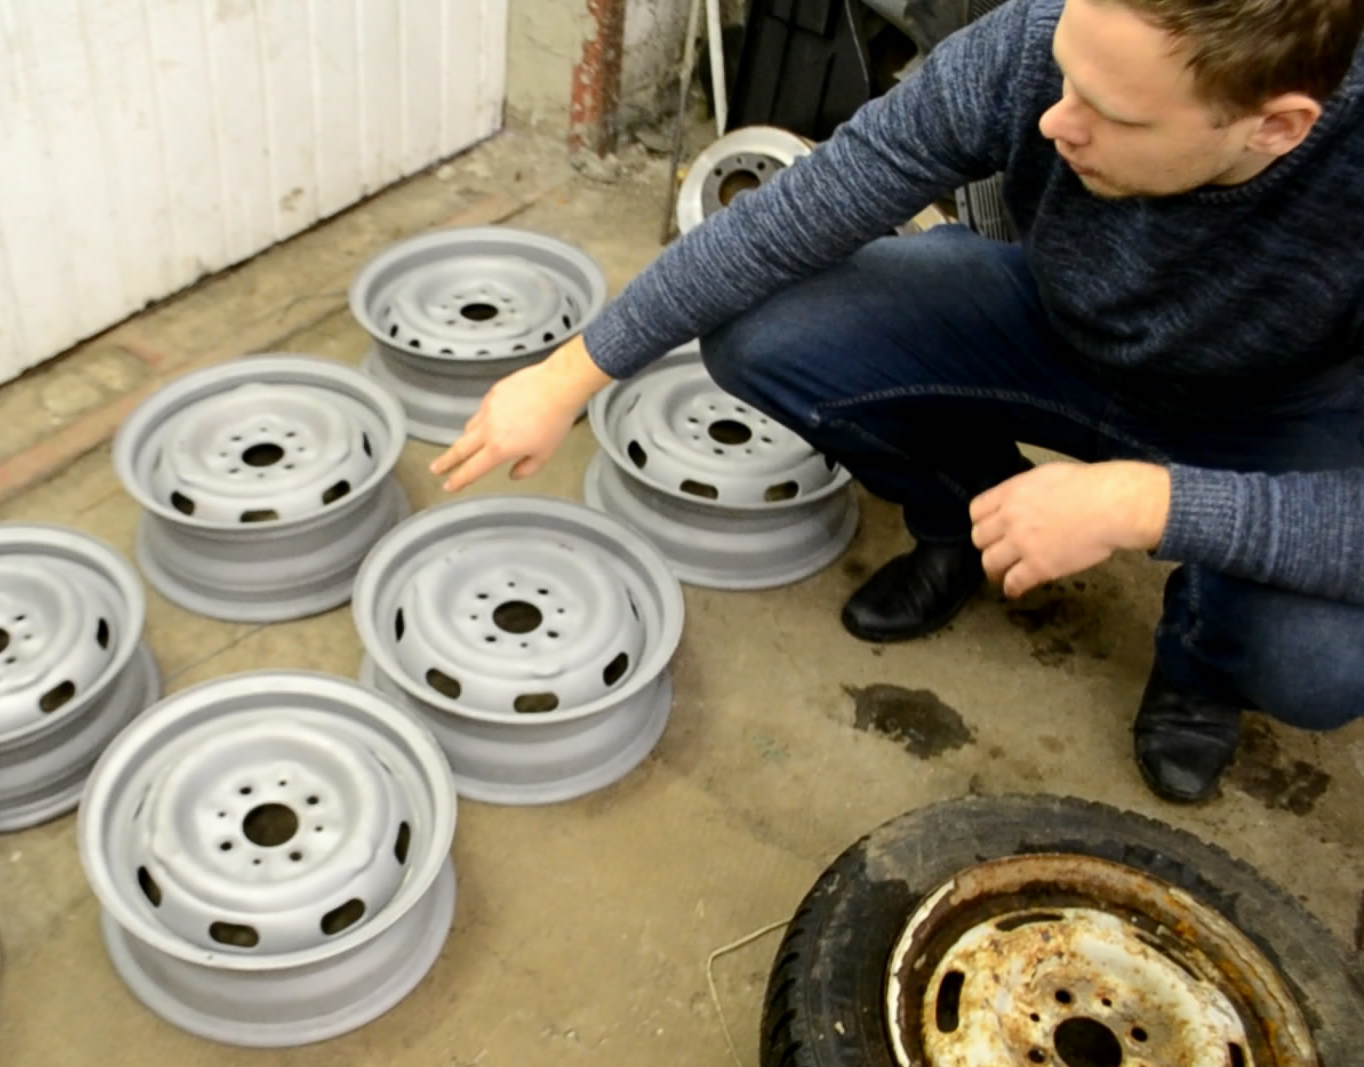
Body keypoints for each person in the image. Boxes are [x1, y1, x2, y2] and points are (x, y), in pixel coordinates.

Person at [430, 0, 1364, 804]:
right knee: (768, 332)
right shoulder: (1038, 44)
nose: (1054, 121)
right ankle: (964, 517)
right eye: (1065, 77)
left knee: (1316, 662)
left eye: (1111, 113)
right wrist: (569, 374)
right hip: (1056, 331)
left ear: (1275, 127)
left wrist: (1148, 504)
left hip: (1273, 412)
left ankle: (1203, 659)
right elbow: (799, 213)